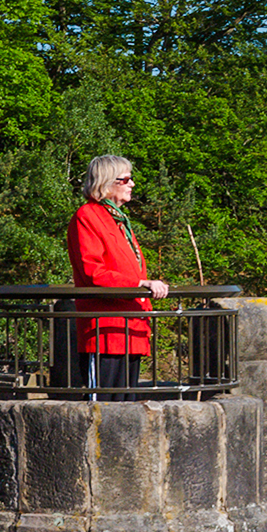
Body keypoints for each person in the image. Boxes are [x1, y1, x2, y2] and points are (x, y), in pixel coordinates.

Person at [67, 155, 169, 399]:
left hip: (130, 329)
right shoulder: (88, 216)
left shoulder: (119, 221)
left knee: (126, 410)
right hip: (104, 331)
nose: (132, 184)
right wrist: (139, 284)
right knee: (101, 410)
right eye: (125, 179)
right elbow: (94, 271)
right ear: (105, 183)